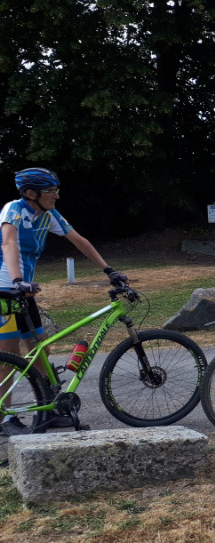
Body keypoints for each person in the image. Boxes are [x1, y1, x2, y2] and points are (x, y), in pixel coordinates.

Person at [1, 167, 128, 435]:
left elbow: (79, 240)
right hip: (5, 291)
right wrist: (17, 280)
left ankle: (47, 412)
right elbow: (8, 244)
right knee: (8, 358)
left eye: (56, 190)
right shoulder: (13, 209)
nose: (57, 195)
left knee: (41, 352)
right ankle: (4, 420)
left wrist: (109, 270)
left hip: (23, 292)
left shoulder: (49, 215)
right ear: (31, 193)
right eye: (51, 191)